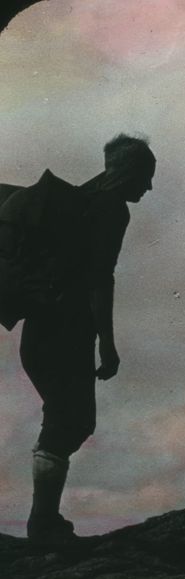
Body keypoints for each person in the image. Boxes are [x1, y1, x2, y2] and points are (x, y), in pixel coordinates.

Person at [3, 134, 155, 544]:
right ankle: (42, 524)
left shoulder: (79, 200)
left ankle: (43, 521)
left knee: (66, 419)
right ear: (130, 173)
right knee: (71, 420)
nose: (149, 187)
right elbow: (99, 279)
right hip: (66, 333)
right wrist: (108, 342)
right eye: (147, 177)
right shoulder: (111, 209)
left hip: (40, 330)